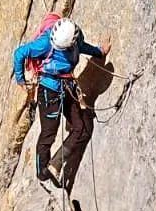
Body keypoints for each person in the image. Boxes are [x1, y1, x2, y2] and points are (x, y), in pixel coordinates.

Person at [12, 17, 110, 191]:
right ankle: (42, 173)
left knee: (81, 128)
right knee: (49, 134)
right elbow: (20, 53)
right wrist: (20, 80)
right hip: (48, 92)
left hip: (66, 87)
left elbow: (81, 47)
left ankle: (54, 165)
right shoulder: (46, 42)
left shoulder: (74, 37)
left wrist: (99, 52)